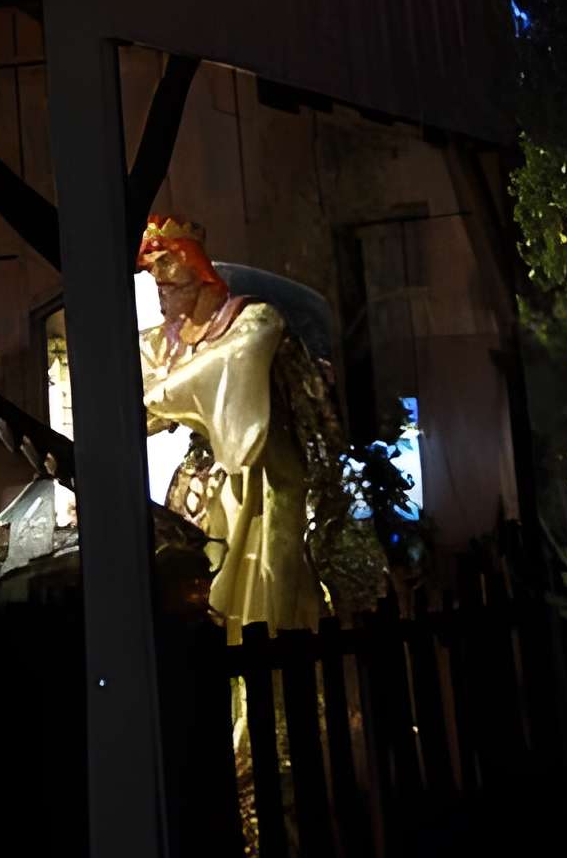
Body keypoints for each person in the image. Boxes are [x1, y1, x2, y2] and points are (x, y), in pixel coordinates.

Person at [136, 216, 385, 636]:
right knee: (198, 582)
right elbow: (140, 390)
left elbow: (222, 369)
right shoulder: (162, 343)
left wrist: (156, 397)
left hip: (265, 479)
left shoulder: (253, 320)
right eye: (157, 288)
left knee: (267, 593)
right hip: (204, 482)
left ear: (199, 277)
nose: (162, 298)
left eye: (170, 287)